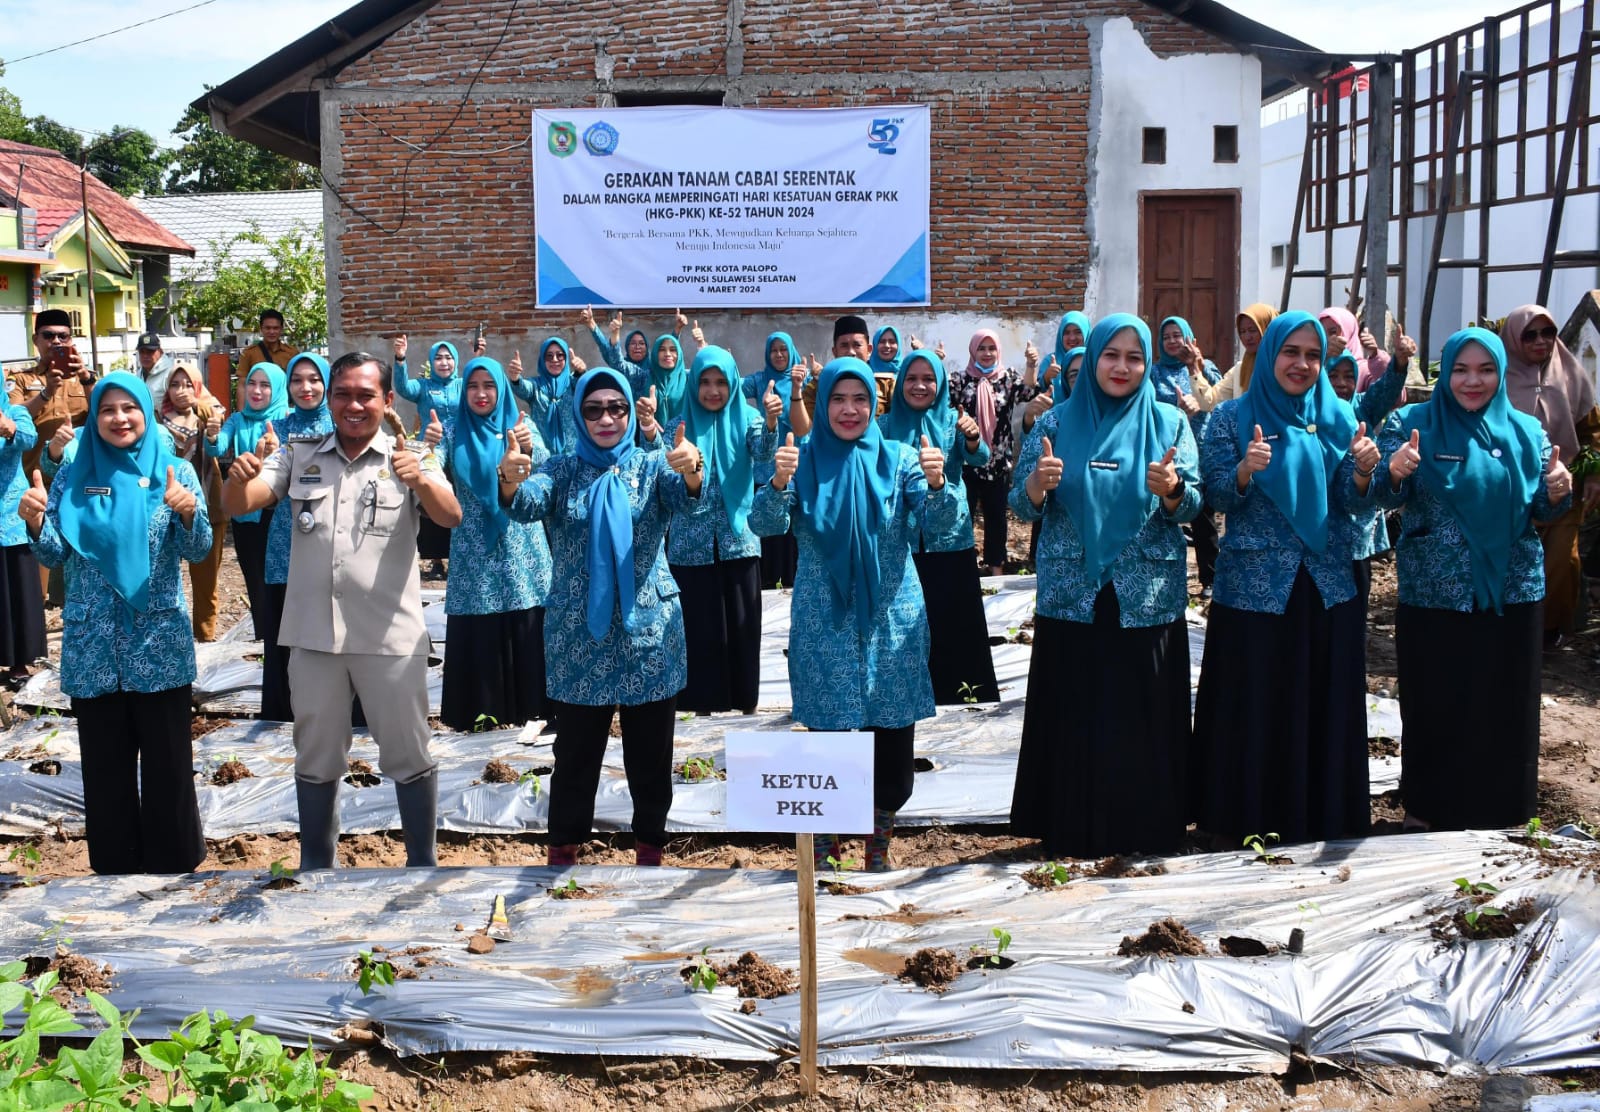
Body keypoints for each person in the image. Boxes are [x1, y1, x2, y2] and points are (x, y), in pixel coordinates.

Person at [221, 352, 463, 870]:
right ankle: (316, 867)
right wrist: (237, 479)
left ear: (387, 400)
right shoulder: (299, 454)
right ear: (330, 399)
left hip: (389, 638)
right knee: (316, 755)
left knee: (409, 753)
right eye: (343, 394)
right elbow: (242, 502)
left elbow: (452, 514)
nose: (353, 406)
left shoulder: (410, 453)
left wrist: (419, 478)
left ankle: (422, 863)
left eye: (365, 395)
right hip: (314, 637)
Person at [1008, 314, 1201, 856]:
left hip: (1147, 594)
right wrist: (1037, 485)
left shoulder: (1169, 424)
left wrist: (1172, 489)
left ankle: (1150, 826)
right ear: (1091, 359)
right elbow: (1019, 504)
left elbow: (1195, 502)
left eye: (1133, 357)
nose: (1122, 367)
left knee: (1144, 708)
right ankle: (1071, 825)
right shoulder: (1054, 422)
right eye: (1110, 355)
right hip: (1074, 590)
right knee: (1076, 706)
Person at [752, 358, 954, 871]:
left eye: (859, 399)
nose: (848, 409)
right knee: (829, 741)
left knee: (892, 749)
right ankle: (825, 853)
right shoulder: (804, 460)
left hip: (892, 619)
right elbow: (765, 524)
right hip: (826, 621)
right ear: (822, 405)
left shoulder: (901, 457)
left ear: (874, 404)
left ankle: (877, 852)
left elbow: (941, 525)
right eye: (838, 399)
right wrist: (777, 483)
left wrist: (937, 485)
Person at [1191, 312, 1380, 845]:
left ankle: (1320, 814)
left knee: (1322, 699)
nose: (1302, 364)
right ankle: (1243, 816)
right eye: (1290, 352)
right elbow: (1214, 496)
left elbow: (1352, 498)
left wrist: (1366, 470)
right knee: (1255, 701)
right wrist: (1247, 470)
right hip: (1255, 588)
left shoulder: (1339, 417)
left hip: (1326, 583)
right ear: (1269, 354)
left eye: (1313, 354)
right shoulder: (1230, 418)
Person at [506, 367, 706, 867]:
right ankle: (563, 853)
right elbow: (527, 505)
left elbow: (687, 499)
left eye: (616, 407)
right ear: (578, 414)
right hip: (579, 636)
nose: (606, 418)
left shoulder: (651, 465)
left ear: (630, 411)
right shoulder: (559, 470)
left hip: (649, 634)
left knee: (651, 757)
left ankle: (650, 851)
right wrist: (509, 479)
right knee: (574, 754)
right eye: (593, 409)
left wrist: (692, 468)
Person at [1375, 328, 1572, 832]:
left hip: (1511, 590)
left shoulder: (1527, 432)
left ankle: (1505, 811)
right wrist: (1392, 473)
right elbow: (1371, 496)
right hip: (1434, 592)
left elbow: (1543, 507)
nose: (1472, 381)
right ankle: (1428, 809)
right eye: (1460, 369)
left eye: (1485, 369)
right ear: (1445, 372)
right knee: (1435, 703)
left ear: (1500, 374)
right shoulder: (1410, 422)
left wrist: (1556, 490)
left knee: (1505, 702)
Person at [18, 372, 211, 874]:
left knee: (169, 765)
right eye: (108, 410)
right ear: (95, 418)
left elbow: (199, 549)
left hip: (158, 642)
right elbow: (58, 554)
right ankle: (116, 866)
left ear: (146, 413)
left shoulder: (176, 473)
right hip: (93, 644)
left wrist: (189, 514)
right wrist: (36, 522)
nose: (119, 418)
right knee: (105, 767)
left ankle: (174, 864)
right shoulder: (71, 477)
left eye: (130, 408)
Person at [655, 347, 778, 714]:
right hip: (690, 546)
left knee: (742, 623)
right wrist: (657, 442)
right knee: (698, 626)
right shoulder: (680, 425)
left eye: (721, 382)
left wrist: (772, 423)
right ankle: (700, 701)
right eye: (705, 382)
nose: (712, 391)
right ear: (693, 386)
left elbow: (763, 451)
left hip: (738, 540)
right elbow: (663, 474)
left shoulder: (748, 417)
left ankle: (743, 700)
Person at [439, 357, 552, 731]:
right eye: (473, 386)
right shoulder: (452, 430)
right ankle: (482, 713)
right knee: (481, 626)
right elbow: (430, 461)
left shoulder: (522, 427)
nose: (482, 393)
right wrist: (421, 449)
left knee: (526, 618)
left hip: (522, 545)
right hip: (474, 549)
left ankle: (536, 708)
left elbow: (549, 473)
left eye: (490, 385)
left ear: (502, 389)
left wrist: (529, 451)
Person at [881, 348, 997, 704]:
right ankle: (905, 694)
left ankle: (961, 693)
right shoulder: (883, 426)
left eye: (928, 379)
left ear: (941, 383)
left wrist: (973, 435)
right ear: (900, 383)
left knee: (953, 619)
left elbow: (981, 458)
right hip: (902, 541)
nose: (919, 386)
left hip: (949, 537)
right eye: (912, 379)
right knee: (905, 621)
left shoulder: (952, 420)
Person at [1500, 305, 1600, 647]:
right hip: (1511, 490)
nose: (1540, 341)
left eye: (1548, 333)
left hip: (1562, 487)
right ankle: (1510, 630)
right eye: (1530, 335)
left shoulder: (1569, 373)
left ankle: (1548, 631)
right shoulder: (1495, 378)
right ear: (1514, 339)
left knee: (1561, 563)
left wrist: (1593, 474)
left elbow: (1591, 432)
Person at [258, 353, 334, 720]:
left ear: (326, 383)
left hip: (334, 541)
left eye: (314, 379)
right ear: (287, 387)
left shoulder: (342, 425)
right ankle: (286, 710)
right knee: (286, 628)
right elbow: (266, 484)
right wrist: (261, 460)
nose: (306, 387)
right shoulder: (277, 429)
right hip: (286, 543)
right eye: (297, 380)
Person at [1326, 328, 1418, 610]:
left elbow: (1386, 390)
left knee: (1355, 596)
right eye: (1333, 376)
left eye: (1349, 375)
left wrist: (1399, 362)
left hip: (1357, 529)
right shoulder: (1309, 412)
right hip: (1323, 528)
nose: (1342, 383)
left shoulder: (1362, 408)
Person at [206, 363, 286, 644]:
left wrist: (280, 445)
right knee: (253, 578)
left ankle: (283, 638)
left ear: (276, 389)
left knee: (278, 579)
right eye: (252, 383)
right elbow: (216, 448)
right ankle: (264, 638)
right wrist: (213, 434)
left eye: (265, 385)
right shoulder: (238, 419)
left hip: (275, 513)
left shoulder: (285, 417)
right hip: (244, 514)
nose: (257, 390)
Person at [951, 329, 1038, 576]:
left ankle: (995, 566)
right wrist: (932, 357)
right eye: (981, 348)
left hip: (998, 461)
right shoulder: (960, 380)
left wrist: (1031, 365)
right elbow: (939, 397)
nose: (987, 353)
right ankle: (964, 566)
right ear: (973, 351)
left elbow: (1028, 392)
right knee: (963, 515)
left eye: (991, 348)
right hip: (966, 461)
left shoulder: (1007, 377)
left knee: (996, 517)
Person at [1150, 315, 1222, 598]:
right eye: (1166, 336)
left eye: (1177, 335)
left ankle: (1210, 578)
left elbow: (1219, 399)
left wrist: (1196, 375)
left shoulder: (1208, 368)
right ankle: (1161, 577)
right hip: (1166, 453)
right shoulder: (1154, 373)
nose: (1171, 341)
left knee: (1203, 517)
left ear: (1189, 338)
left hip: (1200, 450)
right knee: (1163, 514)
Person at [157, 365, 228, 642]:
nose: (182, 391)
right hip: (163, 507)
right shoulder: (156, 421)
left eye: (188, 384)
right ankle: (168, 636)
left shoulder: (208, 418)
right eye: (175, 385)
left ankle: (204, 635)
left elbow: (217, 446)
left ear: (198, 387)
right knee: (162, 572)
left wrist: (212, 433)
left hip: (208, 504)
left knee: (206, 578)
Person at [741, 331, 814, 589]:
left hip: (798, 461)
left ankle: (793, 579)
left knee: (796, 527)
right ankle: (771, 581)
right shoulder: (761, 380)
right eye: (774, 350)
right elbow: (730, 388)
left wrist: (815, 375)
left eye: (784, 349)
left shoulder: (802, 381)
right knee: (770, 522)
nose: (780, 354)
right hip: (766, 464)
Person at [393, 335, 468, 577]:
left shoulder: (462, 385)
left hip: (460, 446)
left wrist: (479, 359)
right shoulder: (424, 386)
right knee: (432, 495)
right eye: (438, 358)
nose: (444, 362)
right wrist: (400, 359)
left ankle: (461, 553)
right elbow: (403, 388)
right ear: (431, 362)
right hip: (431, 447)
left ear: (455, 362)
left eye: (448, 358)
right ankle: (436, 559)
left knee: (460, 495)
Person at [0, 365, 42, 687]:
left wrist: (8, 427)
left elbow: (29, 438)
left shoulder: (15, 412)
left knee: (17, 591)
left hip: (13, 518)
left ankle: (19, 664)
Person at [1185, 303, 1279, 411]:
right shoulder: (1239, 371)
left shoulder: (1282, 368)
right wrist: (1193, 368)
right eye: (1243, 332)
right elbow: (1209, 402)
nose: (1247, 337)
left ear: (1268, 330)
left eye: (1253, 330)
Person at [510, 337, 584, 456]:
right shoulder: (536, 386)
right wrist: (515, 378)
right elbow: (523, 388)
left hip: (573, 455)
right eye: (549, 356)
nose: (554, 360)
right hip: (543, 457)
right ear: (542, 360)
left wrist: (581, 371)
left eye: (560, 355)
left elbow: (585, 385)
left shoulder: (573, 383)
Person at [1317, 307, 1390, 393]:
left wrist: (1376, 356)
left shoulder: (1364, 370)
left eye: (1333, 332)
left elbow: (1392, 395)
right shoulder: (1315, 365)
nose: (1327, 339)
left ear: (1349, 333)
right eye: (1321, 333)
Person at [238, 309, 299, 384]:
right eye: (267, 328)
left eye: (275, 328)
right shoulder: (249, 353)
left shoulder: (292, 353)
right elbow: (242, 384)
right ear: (261, 329)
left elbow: (297, 381)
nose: (271, 332)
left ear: (281, 329)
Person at [136, 332, 177, 402]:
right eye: (142, 352)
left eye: (150, 351)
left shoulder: (170, 374)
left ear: (160, 351)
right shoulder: (139, 374)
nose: (145, 356)